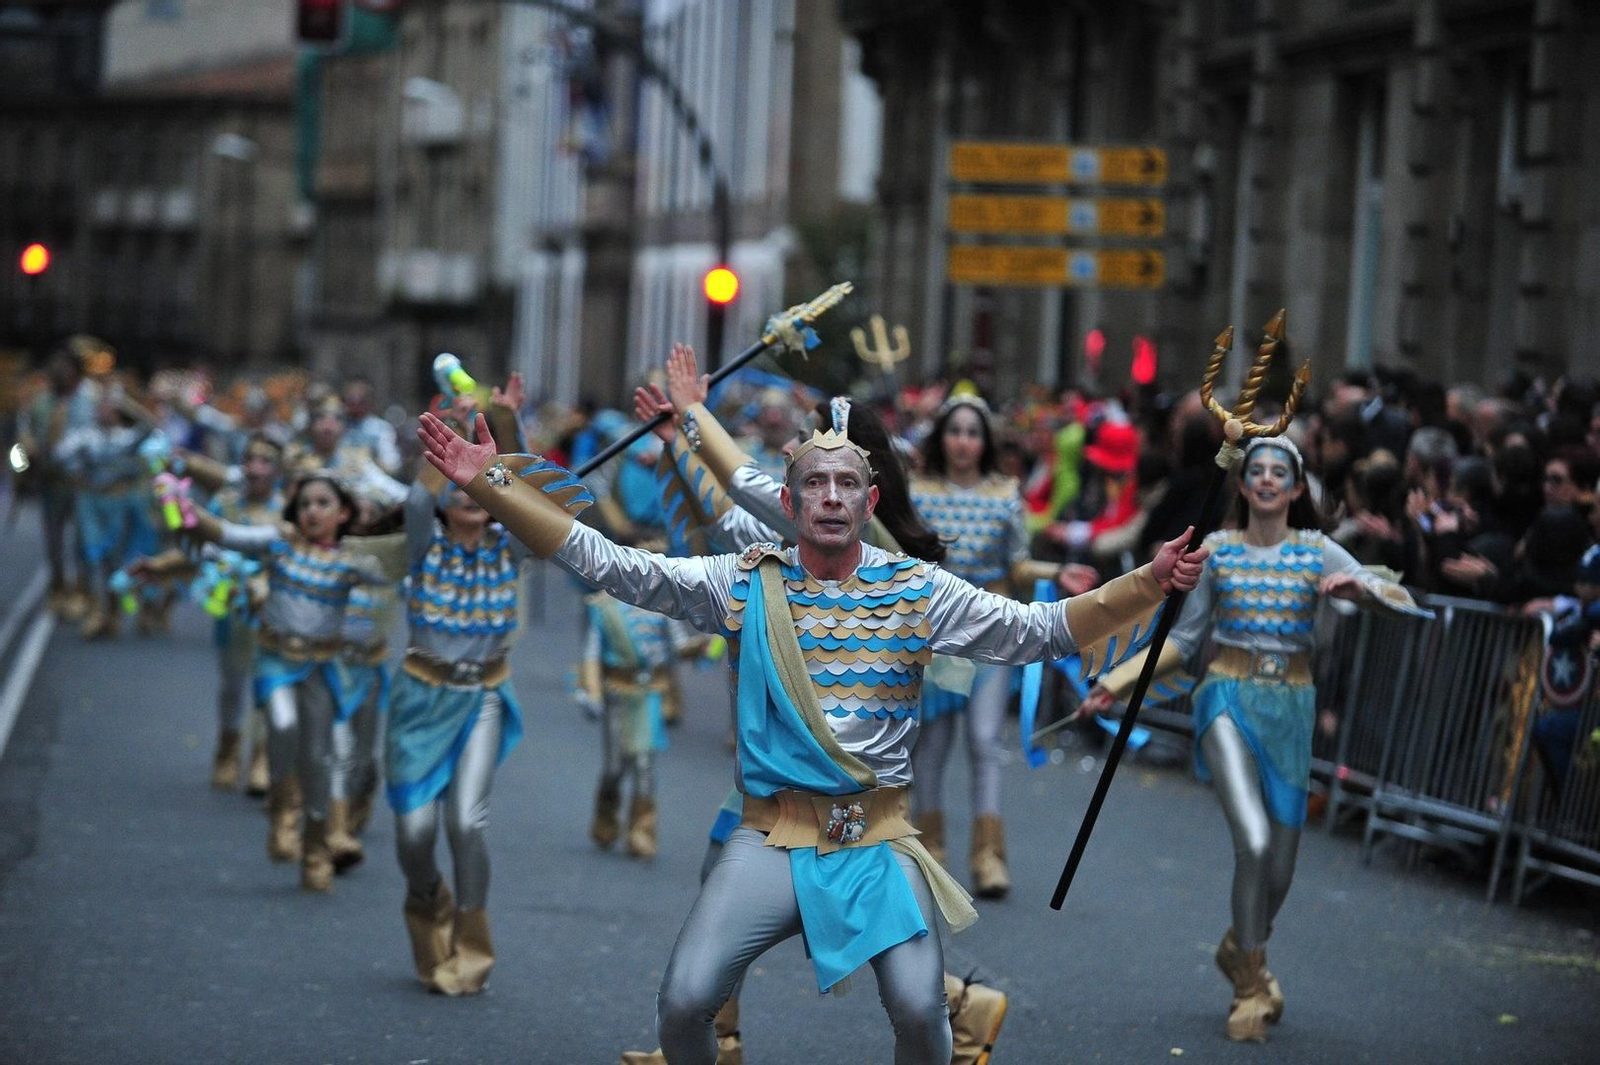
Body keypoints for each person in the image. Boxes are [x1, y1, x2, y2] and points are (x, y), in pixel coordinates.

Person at [418, 406, 1207, 1063]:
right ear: (789, 503)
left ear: (868, 503)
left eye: (847, 483)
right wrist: (493, 483)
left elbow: (1039, 630)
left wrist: (1147, 581)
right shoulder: (741, 579)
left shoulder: (917, 588)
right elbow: (614, 564)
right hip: (771, 837)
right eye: (814, 483)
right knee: (683, 1002)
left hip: (877, 841)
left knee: (918, 1011)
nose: (831, 496)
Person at [1079, 434, 1416, 1044]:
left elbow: (1401, 600)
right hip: (1226, 697)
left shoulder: (1318, 552)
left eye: (1277, 471)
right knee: (1254, 843)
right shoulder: (1218, 552)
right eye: (1255, 469)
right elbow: (1183, 641)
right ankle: (1250, 987)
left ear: (1294, 488)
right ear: (1241, 485)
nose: (1265, 479)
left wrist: (1362, 592)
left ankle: (1242, 947)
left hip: (1292, 705)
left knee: (1282, 866)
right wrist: (1118, 683)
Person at [171, 472, 401, 892]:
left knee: (317, 760)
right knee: (282, 726)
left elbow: (398, 570)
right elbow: (224, 534)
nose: (313, 511)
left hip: (321, 667)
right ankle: (282, 812)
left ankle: (315, 850)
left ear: (343, 513)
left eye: (324, 503)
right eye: (307, 503)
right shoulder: (278, 541)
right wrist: (180, 506)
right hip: (276, 661)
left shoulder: (352, 560)